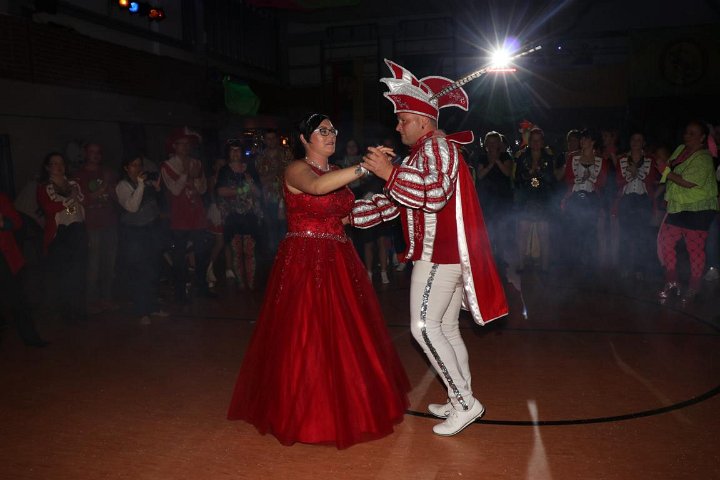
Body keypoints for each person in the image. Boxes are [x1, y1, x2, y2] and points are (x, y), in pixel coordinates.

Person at [228, 113, 410, 449]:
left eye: (332, 130)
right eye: (322, 131)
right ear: (304, 138)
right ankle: (305, 412)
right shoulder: (296, 169)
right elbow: (316, 188)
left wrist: (394, 191)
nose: (330, 135)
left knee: (344, 332)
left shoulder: (335, 171)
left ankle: (348, 403)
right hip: (304, 258)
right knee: (306, 332)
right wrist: (365, 167)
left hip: (339, 256)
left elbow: (345, 215)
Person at [352, 60, 508, 436]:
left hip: (439, 254)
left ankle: (465, 403)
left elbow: (434, 194)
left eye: (403, 120)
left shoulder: (437, 147)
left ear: (423, 120)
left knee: (423, 328)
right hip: (443, 254)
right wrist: (349, 215)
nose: (397, 127)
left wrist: (389, 173)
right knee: (447, 328)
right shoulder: (424, 152)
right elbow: (397, 203)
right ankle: (459, 398)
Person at [656, 120, 718, 303]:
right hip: (678, 206)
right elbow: (670, 170)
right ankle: (672, 281)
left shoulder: (704, 158)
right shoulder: (680, 150)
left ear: (702, 137)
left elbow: (688, 182)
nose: (687, 136)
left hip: (697, 209)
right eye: (686, 132)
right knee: (665, 242)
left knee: (694, 250)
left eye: (692, 133)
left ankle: (694, 287)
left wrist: (665, 171)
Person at [160, 127, 215, 303]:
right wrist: (187, 175)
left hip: (197, 215)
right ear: (174, 146)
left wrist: (196, 179)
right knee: (179, 257)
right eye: (181, 144)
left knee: (202, 253)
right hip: (179, 216)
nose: (185, 147)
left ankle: (201, 287)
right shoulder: (167, 166)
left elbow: (203, 189)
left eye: (187, 144)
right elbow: (175, 190)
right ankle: (180, 292)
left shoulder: (196, 163)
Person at [36, 152, 88, 323]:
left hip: (77, 230)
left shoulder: (73, 184)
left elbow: (79, 206)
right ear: (47, 167)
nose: (59, 166)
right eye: (55, 163)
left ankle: (79, 310)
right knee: (64, 274)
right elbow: (49, 209)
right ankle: (67, 312)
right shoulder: (44, 187)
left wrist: (71, 203)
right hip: (60, 234)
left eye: (61, 163)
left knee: (78, 272)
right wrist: (69, 203)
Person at [115, 155, 167, 323]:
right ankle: (142, 311)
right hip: (134, 233)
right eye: (133, 165)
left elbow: (156, 207)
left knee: (153, 270)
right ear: (126, 168)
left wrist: (158, 191)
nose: (137, 168)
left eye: (139, 165)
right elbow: (132, 206)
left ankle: (152, 306)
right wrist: (141, 185)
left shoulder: (146, 183)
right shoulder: (122, 186)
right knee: (139, 272)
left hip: (151, 231)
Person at [74, 143, 119, 311]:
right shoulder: (79, 176)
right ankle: (90, 301)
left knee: (110, 263)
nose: (95, 155)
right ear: (86, 154)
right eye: (92, 152)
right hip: (92, 225)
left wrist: (112, 189)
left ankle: (106, 298)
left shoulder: (108, 172)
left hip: (110, 223)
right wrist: (103, 186)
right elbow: (80, 202)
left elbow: (117, 197)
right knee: (93, 264)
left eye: (98, 152)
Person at [0, 191, 48, 347]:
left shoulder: (1, 198)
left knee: (18, 298)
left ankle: (30, 337)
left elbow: (17, 222)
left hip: (5, 257)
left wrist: (3, 222)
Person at [215, 144, 263, 290]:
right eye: (232, 150)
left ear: (242, 153)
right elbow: (220, 191)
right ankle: (241, 284)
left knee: (249, 252)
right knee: (236, 252)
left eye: (238, 150)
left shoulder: (250, 169)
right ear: (228, 153)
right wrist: (241, 190)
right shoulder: (224, 170)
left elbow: (259, 193)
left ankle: (251, 284)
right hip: (232, 216)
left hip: (250, 215)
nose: (235, 153)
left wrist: (250, 184)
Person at [560, 129, 608, 271]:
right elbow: (568, 178)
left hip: (592, 198)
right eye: (581, 139)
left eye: (585, 139)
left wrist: (590, 178)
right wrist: (580, 178)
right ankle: (573, 263)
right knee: (573, 230)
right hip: (575, 197)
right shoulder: (573, 157)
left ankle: (589, 264)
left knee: (590, 231)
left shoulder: (601, 161)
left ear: (593, 141)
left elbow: (603, 182)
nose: (582, 141)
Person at [612, 132, 658, 279]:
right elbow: (618, 181)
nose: (635, 142)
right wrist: (631, 174)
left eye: (639, 140)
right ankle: (625, 266)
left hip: (643, 200)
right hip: (626, 200)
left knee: (641, 235)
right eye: (633, 139)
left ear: (643, 143)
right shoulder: (622, 159)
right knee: (625, 235)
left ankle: (640, 268)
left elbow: (651, 180)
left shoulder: (650, 159)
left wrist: (636, 172)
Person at [512, 127, 557, 272]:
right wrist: (528, 173)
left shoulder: (548, 157)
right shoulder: (522, 157)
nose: (536, 143)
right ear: (529, 141)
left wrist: (540, 172)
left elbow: (552, 179)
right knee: (522, 234)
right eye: (533, 140)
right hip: (526, 199)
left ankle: (545, 268)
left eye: (539, 140)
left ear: (542, 142)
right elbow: (517, 179)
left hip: (543, 199)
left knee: (544, 234)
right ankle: (521, 265)